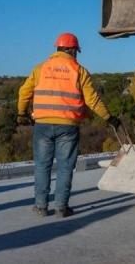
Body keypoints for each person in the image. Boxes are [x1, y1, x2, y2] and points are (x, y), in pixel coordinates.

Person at [18, 32, 120, 217]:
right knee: (65, 167)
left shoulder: (40, 68)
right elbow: (93, 100)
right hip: (68, 126)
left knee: (42, 165)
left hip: (42, 125)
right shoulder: (79, 71)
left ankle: (41, 206)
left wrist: (21, 114)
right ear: (73, 50)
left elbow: (24, 92)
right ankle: (61, 208)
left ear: (57, 49)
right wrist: (109, 118)